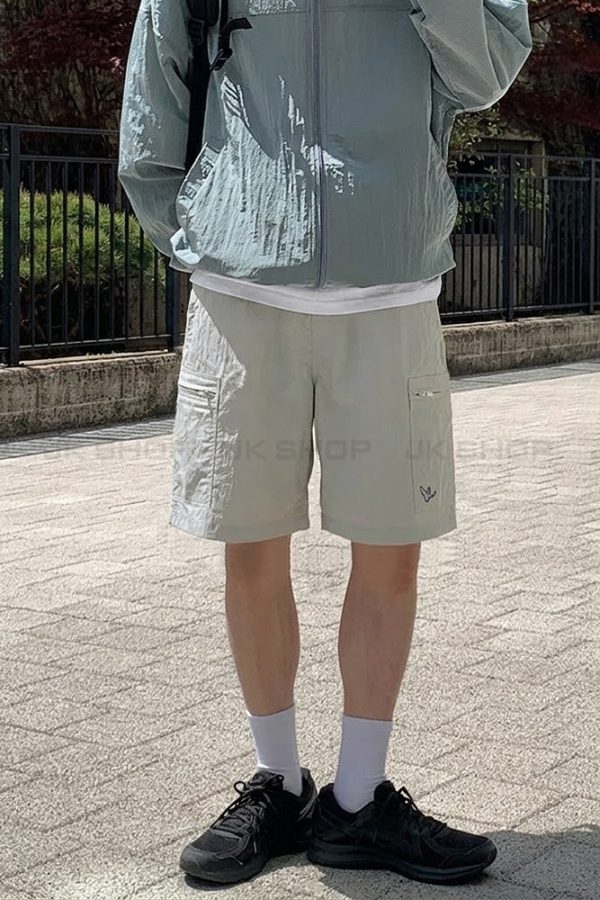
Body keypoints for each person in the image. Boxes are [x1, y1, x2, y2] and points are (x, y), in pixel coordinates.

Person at [118, 0, 532, 886]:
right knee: (249, 548)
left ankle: (357, 798)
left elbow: (487, 71)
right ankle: (277, 780)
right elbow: (155, 96)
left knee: (391, 551)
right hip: (240, 290)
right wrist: (199, 236)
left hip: (391, 285)